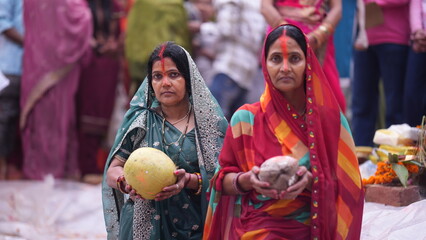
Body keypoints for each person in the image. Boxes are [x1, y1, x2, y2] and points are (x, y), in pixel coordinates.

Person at [203, 24, 364, 239]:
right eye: (276, 59)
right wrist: (247, 180)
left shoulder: (330, 120)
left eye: (295, 59)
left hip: (313, 228)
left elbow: (349, 187)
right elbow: (221, 180)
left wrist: (311, 181)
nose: (285, 68)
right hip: (255, 229)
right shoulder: (245, 119)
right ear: (265, 63)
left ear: (309, 63)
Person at [102, 42, 228, 239]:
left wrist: (189, 180)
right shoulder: (141, 121)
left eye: (174, 74)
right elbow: (113, 169)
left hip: (195, 226)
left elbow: (224, 178)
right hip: (142, 228)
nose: (165, 83)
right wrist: (125, 182)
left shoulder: (210, 123)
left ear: (189, 78)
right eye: (157, 76)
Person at [20, 0, 92, 179]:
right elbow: (80, 17)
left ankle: (38, 173)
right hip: (58, 62)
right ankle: (51, 174)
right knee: (56, 116)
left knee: (42, 117)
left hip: (37, 63)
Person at [260, 0, 347, 113]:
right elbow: (265, 6)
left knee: (331, 103)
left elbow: (337, 9)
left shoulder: (316, 40)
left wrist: (318, 36)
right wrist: (290, 34)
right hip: (281, 39)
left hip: (318, 43)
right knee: (279, 98)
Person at [351, 0, 410, 147]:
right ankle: (361, 157)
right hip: (363, 41)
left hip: (395, 39)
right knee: (362, 103)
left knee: (395, 105)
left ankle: (394, 158)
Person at [76, 0, 121, 180]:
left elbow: (122, 34)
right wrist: (91, 43)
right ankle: (86, 165)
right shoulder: (82, 4)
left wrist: (115, 44)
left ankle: (102, 164)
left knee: (106, 113)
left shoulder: (115, 6)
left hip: (109, 63)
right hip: (88, 62)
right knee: (88, 111)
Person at [207, 0, 266, 120]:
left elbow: (225, 29)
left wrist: (202, 29)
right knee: (236, 129)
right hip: (247, 73)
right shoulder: (257, 4)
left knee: (213, 124)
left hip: (228, 67)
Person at [124, 0, 192, 96]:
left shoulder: (140, 3)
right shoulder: (174, 4)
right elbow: (181, 34)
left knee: (143, 100)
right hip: (170, 60)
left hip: (141, 60)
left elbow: (131, 32)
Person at [0, 0, 24, 179]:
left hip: (27, 69)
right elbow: (3, 23)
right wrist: (30, 43)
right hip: (8, 66)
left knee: (14, 122)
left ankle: (7, 170)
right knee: (4, 120)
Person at [404, 0, 426, 127]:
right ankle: (415, 141)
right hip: (419, 43)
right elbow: (415, 4)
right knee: (412, 97)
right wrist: (417, 32)